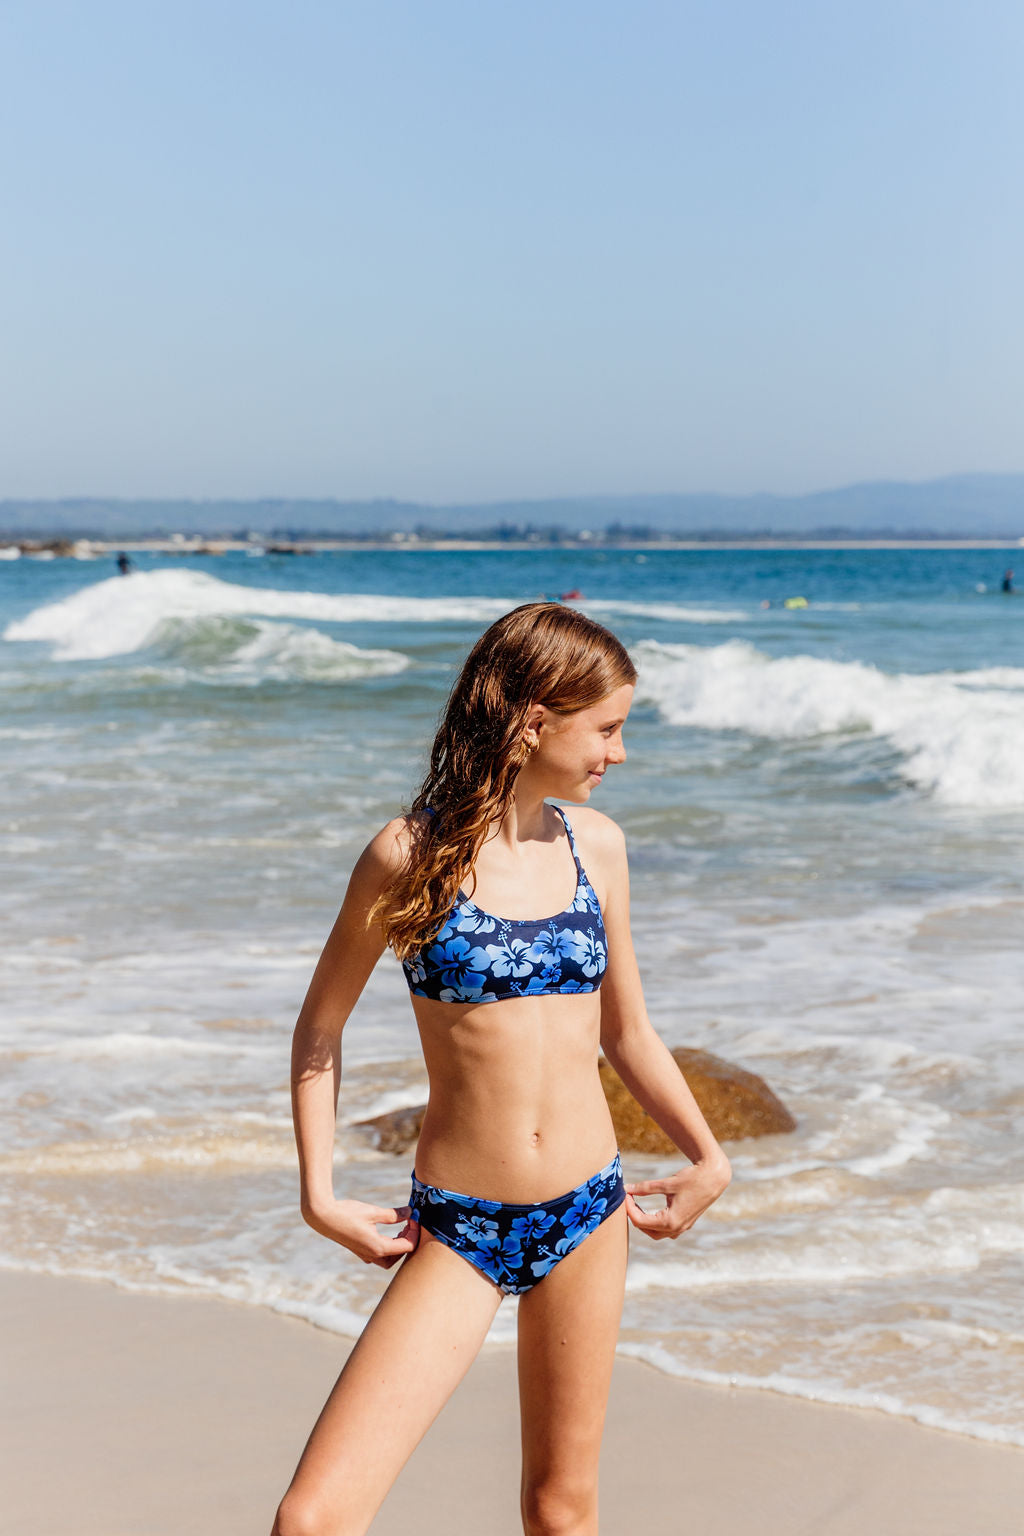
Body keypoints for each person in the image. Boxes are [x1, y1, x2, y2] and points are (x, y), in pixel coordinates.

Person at [272, 602, 732, 1536]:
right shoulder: (409, 856)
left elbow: (629, 1033)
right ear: (533, 719)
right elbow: (321, 1030)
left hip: (587, 1212)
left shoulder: (596, 847)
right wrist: (318, 1193)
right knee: (312, 1520)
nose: (620, 751)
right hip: (459, 1226)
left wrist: (708, 1156)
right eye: (606, 728)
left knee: (560, 1510)